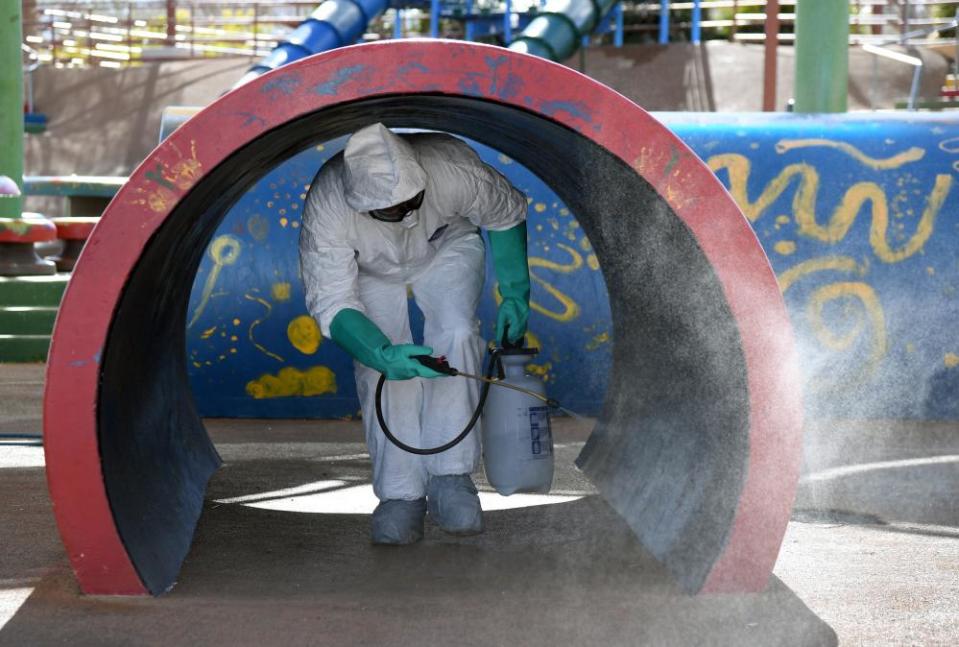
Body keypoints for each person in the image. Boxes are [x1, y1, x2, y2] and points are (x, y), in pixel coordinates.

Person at [299, 123, 531, 545]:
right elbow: (332, 301)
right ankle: (400, 495)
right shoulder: (327, 205)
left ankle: (452, 478)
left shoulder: (451, 169)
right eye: (392, 209)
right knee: (383, 370)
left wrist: (515, 292)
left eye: (413, 201)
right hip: (369, 268)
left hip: (446, 245)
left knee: (457, 332)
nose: (406, 214)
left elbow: (506, 213)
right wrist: (380, 351)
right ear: (363, 204)